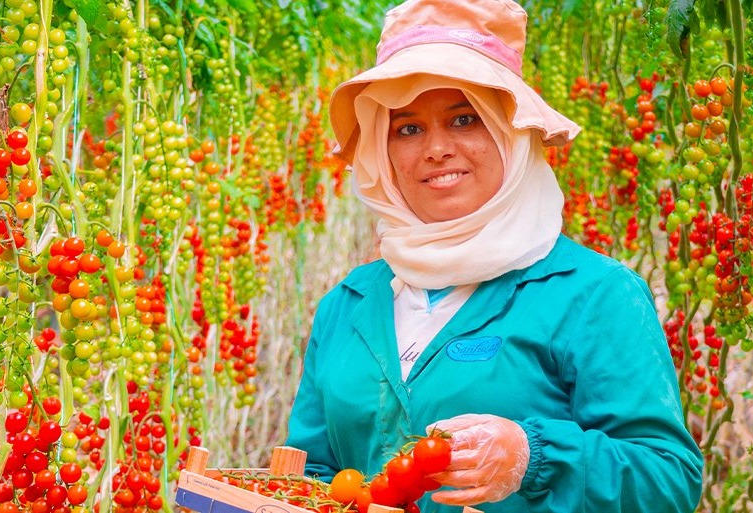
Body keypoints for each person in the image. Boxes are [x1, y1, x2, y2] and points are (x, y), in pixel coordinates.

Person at [284, 0, 704, 511]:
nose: (436, 149)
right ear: (382, 151)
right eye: (408, 128)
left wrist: (533, 457)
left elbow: (667, 480)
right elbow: (309, 474)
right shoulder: (348, 304)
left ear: (511, 134)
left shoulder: (593, 294)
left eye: (464, 120)